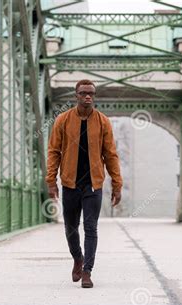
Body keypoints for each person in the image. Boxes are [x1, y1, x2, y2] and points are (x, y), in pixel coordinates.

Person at [45, 79, 123, 288]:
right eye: (83, 93)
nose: (88, 96)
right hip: (70, 183)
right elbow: (54, 151)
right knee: (71, 229)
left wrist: (117, 184)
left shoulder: (103, 121)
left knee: (91, 228)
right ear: (76, 95)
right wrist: (51, 181)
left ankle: (87, 271)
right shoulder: (62, 120)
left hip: (93, 185)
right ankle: (77, 258)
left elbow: (111, 154)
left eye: (91, 93)